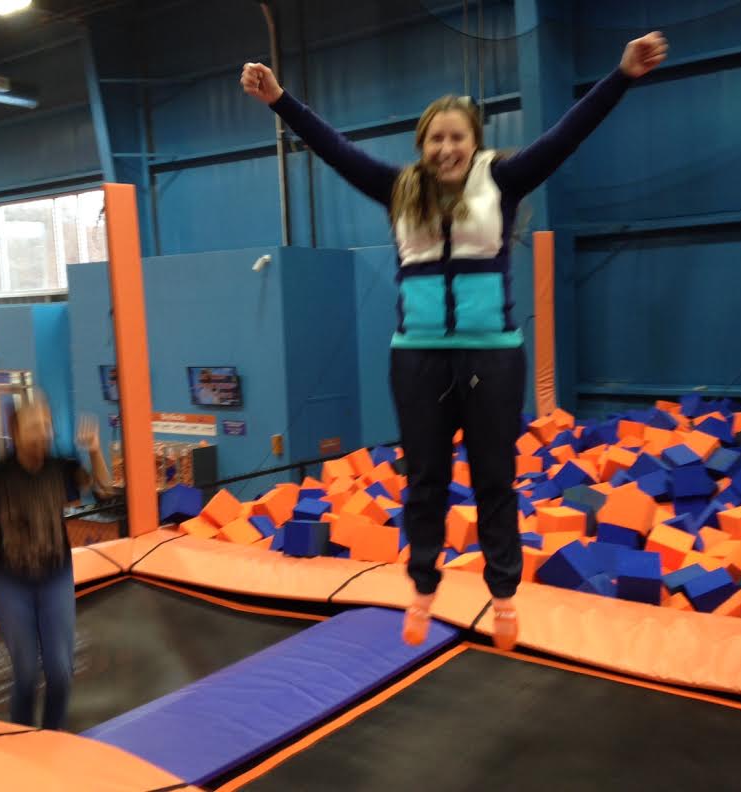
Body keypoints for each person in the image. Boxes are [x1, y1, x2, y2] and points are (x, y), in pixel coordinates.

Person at [241, 32, 668, 650]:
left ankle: (503, 594)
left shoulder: (506, 179)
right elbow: (332, 148)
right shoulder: (398, 190)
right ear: (423, 146)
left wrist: (622, 74)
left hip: (491, 354)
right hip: (417, 357)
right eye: (436, 138)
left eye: (457, 138)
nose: (447, 148)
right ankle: (422, 586)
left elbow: (569, 135)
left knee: (495, 477)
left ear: (475, 143)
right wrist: (281, 100)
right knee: (426, 479)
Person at [0, 397, 111, 730]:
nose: (43, 433)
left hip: (55, 578)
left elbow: (104, 490)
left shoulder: (61, 468)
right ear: (17, 432)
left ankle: (52, 736)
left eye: (46, 426)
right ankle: (21, 737)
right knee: (25, 672)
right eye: (34, 426)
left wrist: (94, 451)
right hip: (9, 583)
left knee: (61, 671)